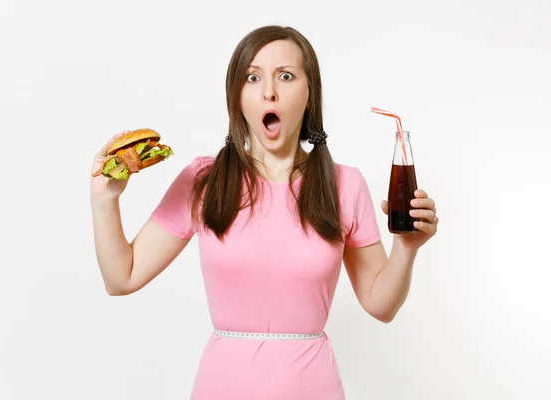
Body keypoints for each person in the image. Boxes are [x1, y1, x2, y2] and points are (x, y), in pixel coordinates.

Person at [90, 25, 439, 400]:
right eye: (252, 77)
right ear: (238, 96)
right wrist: (104, 199)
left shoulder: (345, 185)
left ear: (309, 94)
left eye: (285, 76)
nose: (268, 90)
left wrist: (407, 247)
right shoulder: (203, 179)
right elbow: (121, 278)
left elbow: (380, 305)